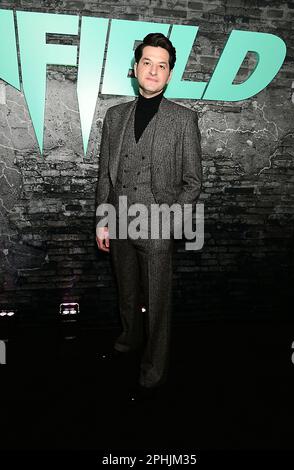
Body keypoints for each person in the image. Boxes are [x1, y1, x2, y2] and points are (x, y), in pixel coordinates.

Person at [95, 32, 202, 402]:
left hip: (157, 226)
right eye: (147, 63)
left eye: (162, 65)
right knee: (126, 291)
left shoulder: (184, 120)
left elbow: (193, 183)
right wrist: (102, 219)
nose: (153, 71)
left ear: (169, 74)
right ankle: (129, 338)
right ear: (135, 68)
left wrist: (169, 225)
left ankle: (154, 368)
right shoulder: (114, 116)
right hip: (120, 220)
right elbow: (104, 175)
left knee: (157, 303)